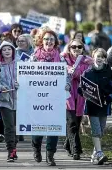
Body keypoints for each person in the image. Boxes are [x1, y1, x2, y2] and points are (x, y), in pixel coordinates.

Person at [30, 30, 69, 166]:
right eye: (46, 39)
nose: (49, 42)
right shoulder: (34, 56)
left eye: (52, 39)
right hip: (38, 96)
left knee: (53, 126)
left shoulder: (61, 57)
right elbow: (25, 75)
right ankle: (36, 148)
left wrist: (67, 84)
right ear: (42, 40)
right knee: (39, 126)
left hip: (55, 97)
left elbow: (67, 75)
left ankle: (50, 155)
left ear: (55, 42)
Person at [79, 48, 112, 165]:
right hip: (92, 106)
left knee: (100, 131)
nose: (100, 59)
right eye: (98, 56)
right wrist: (85, 93)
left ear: (105, 59)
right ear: (93, 57)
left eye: (102, 57)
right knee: (96, 130)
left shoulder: (109, 73)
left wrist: (110, 98)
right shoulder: (87, 72)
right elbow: (81, 89)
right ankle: (100, 153)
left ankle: (94, 155)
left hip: (104, 106)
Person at [61, 39, 93, 160]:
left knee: (77, 122)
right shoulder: (63, 60)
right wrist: (70, 70)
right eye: (73, 47)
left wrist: (75, 72)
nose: (76, 49)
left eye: (79, 47)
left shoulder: (88, 61)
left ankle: (68, 144)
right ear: (69, 48)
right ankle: (76, 150)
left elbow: (86, 75)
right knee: (72, 123)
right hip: (67, 95)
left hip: (80, 96)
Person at [0, 41, 19, 162]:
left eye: (9, 49)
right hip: (4, 100)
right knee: (9, 126)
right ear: (0, 52)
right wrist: (0, 88)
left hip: (19, 100)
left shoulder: (20, 64)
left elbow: (29, 79)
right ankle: (10, 151)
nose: (7, 51)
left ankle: (14, 149)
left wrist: (20, 83)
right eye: (4, 50)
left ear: (13, 51)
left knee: (16, 127)